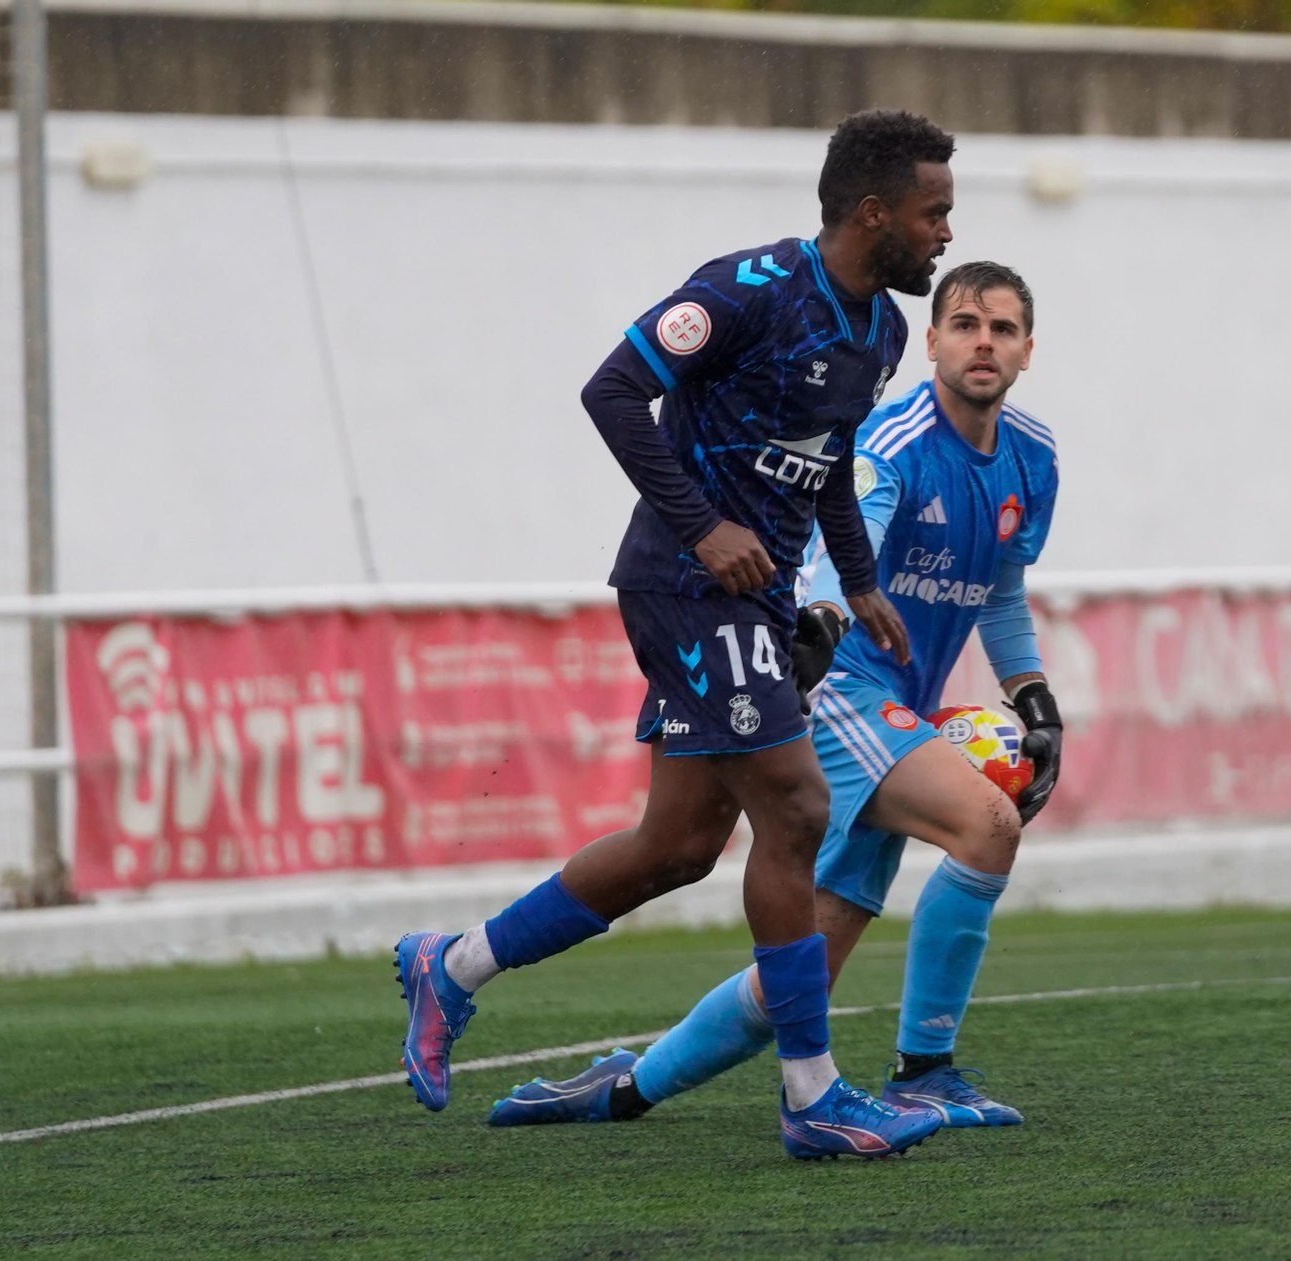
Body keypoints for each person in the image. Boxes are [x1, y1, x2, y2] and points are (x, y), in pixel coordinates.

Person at [396, 110, 958, 1161]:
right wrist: (703, 530)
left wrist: (863, 578)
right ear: (874, 212)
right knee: (795, 803)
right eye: (933, 215)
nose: (943, 236)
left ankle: (452, 963)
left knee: (680, 846)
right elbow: (610, 390)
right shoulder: (749, 290)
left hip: (757, 596)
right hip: (685, 584)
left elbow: (825, 460)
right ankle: (812, 1095)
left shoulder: (877, 328)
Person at [493, 260, 1063, 1132]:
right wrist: (826, 619)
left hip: (897, 704)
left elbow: (1001, 592)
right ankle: (924, 1071)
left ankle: (625, 1087)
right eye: (964, 325)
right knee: (987, 823)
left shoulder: (1033, 456)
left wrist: (1033, 698)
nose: (983, 342)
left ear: (1029, 349)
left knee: (803, 965)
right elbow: (841, 560)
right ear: (935, 343)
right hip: (841, 688)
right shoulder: (895, 443)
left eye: (1004, 329)